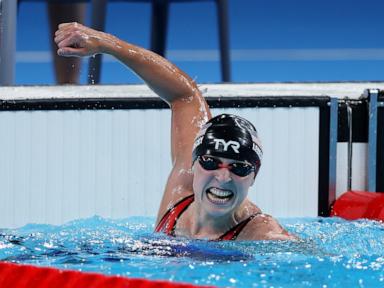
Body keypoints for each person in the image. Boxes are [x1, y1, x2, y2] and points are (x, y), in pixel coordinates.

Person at [54, 22, 297, 241]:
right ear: (193, 164)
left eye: (239, 167)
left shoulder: (262, 234)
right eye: (211, 162)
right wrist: (108, 44)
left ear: (254, 176)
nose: (222, 177)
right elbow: (185, 94)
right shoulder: (181, 192)